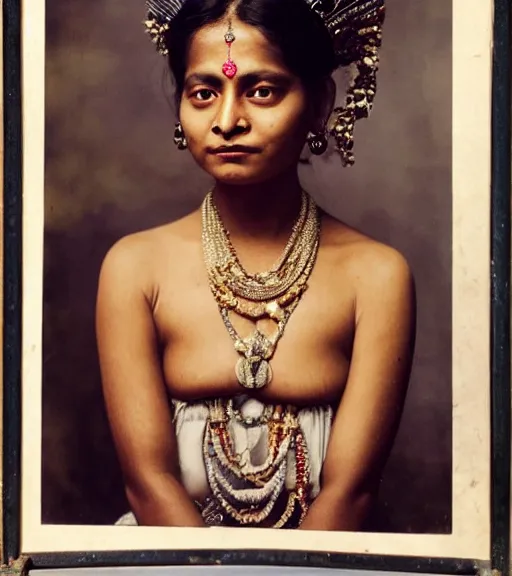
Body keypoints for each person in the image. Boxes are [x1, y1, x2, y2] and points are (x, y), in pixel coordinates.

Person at [95, 0, 416, 531]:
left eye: (261, 91)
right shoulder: (135, 269)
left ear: (319, 103)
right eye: (204, 93)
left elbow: (351, 493)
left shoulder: (376, 276)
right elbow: (148, 484)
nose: (227, 121)